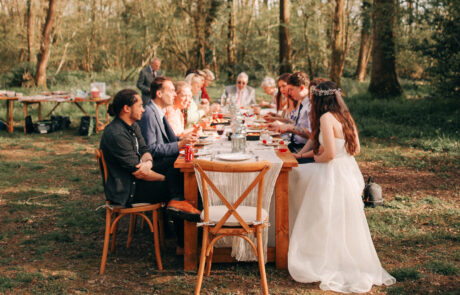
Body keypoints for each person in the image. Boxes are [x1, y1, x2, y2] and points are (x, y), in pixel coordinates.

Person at [288, 81, 396, 293]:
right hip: (348, 170)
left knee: (296, 182)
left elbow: (327, 155)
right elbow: (355, 149)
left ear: (319, 99)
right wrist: (307, 155)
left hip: (331, 173)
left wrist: (305, 158)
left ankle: (309, 250)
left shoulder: (326, 118)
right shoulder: (345, 116)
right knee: (340, 217)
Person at [138, 76, 201, 221]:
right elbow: (151, 150)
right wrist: (179, 144)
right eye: (171, 91)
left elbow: (172, 140)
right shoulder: (149, 114)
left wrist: (185, 139)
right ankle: (182, 211)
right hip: (155, 168)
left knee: (196, 166)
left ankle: (193, 215)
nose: (174, 94)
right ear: (159, 94)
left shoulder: (159, 111)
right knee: (192, 172)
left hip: (165, 163)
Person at [99, 89, 166, 207]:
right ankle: (176, 222)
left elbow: (144, 150)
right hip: (128, 192)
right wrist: (163, 178)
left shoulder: (133, 124)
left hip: (135, 181)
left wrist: (148, 163)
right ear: (126, 108)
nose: (143, 110)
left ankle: (173, 219)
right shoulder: (116, 134)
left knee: (174, 168)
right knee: (174, 182)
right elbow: (139, 173)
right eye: (140, 106)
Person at [268, 72, 312, 153]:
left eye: (291, 89)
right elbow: (296, 123)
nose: (289, 93)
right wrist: (284, 126)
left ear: (301, 88)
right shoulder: (303, 103)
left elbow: (312, 135)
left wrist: (289, 128)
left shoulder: (310, 105)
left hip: (302, 149)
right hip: (294, 145)